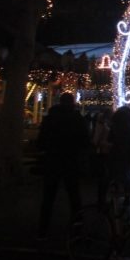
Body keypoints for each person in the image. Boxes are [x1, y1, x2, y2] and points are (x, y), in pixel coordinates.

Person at [36, 92, 89, 240]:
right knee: (74, 196)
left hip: (53, 161)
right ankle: (77, 228)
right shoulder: (77, 119)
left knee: (48, 197)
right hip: (70, 161)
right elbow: (85, 141)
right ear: (72, 103)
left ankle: (42, 230)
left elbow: (41, 141)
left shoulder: (50, 119)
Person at [107, 105, 130, 207]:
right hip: (127, 153)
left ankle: (114, 197)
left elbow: (110, 138)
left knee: (114, 175)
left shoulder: (115, 124)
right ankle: (126, 198)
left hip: (116, 152)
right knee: (126, 177)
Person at [90, 110, 112, 209]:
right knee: (104, 178)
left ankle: (102, 199)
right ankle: (101, 200)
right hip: (103, 153)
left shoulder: (103, 124)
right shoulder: (101, 125)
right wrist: (109, 145)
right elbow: (96, 141)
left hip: (104, 152)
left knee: (104, 178)